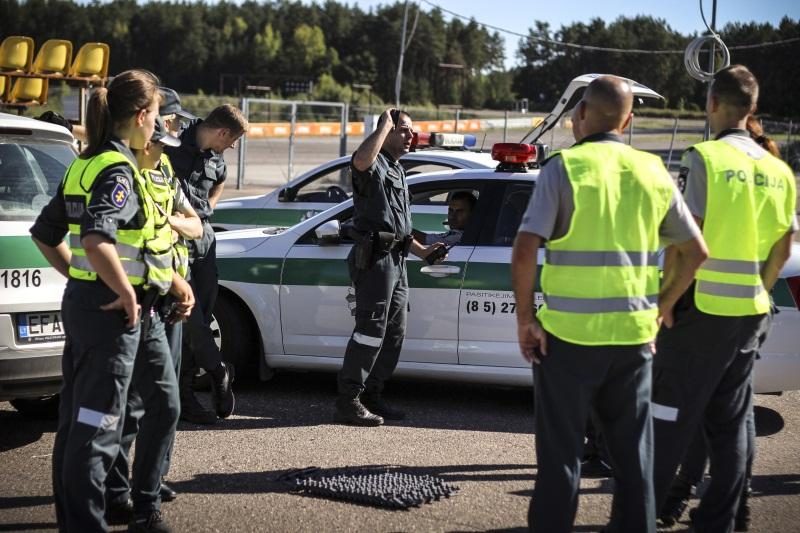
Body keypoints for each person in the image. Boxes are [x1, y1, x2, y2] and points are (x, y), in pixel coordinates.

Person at [511, 75, 708, 533]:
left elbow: (525, 248)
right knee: (634, 461)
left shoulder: (564, 168)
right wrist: (662, 306)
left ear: (580, 116)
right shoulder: (653, 171)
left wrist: (525, 320)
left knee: (561, 459)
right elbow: (696, 251)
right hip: (633, 339)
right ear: (629, 120)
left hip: (566, 341)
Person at [29, 69, 193, 532]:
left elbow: (46, 233)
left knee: (86, 420)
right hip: (114, 313)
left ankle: (126, 506)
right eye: (158, 115)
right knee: (97, 427)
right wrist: (119, 289)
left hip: (100, 304)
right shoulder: (117, 169)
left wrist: (82, 277)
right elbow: (98, 237)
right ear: (142, 116)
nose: (160, 124)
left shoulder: (88, 161)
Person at [652, 65, 797, 533]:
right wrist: (762, 283)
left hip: (701, 310)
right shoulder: (779, 169)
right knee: (733, 422)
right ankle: (722, 518)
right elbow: (786, 238)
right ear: (752, 109)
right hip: (751, 311)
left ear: (712, 103)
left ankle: (645, 509)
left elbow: (685, 240)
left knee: (668, 416)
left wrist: (666, 300)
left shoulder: (705, 158)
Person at [105, 116, 203, 523]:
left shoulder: (162, 170)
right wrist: (176, 281)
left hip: (166, 300)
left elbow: (195, 224)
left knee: (163, 403)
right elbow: (140, 242)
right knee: (135, 407)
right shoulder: (127, 174)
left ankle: (149, 482)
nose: (165, 150)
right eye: (161, 141)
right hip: (143, 299)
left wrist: (173, 224)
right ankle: (121, 494)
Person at [335, 108, 445, 426]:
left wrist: (424, 252)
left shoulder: (397, 170)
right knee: (370, 332)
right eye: (404, 130)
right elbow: (359, 161)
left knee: (394, 333)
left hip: (397, 260)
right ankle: (348, 400)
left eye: (412, 131)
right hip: (376, 261)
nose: (411, 135)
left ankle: (372, 394)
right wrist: (383, 126)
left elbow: (399, 229)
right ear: (388, 131)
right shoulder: (374, 163)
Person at [164, 104, 248, 424]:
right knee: (192, 319)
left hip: (205, 242)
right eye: (232, 141)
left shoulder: (216, 156)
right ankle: (217, 370)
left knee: (200, 318)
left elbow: (220, 181)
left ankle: (186, 398)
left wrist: (206, 211)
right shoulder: (172, 148)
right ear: (223, 132)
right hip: (177, 243)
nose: (232, 147)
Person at [412, 190, 476, 246]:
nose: (452, 216)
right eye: (450, 210)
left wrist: (404, 229)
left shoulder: (459, 236)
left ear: (472, 213)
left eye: (459, 211)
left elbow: (424, 239)